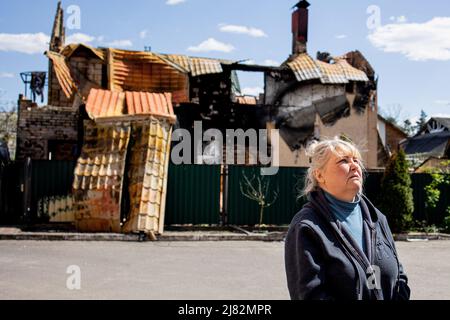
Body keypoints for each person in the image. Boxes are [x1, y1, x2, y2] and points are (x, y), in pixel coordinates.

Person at [285, 137, 410, 300]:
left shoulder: (377, 218)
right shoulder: (307, 226)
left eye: (356, 160)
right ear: (320, 175)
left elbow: (399, 278)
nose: (354, 166)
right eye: (344, 161)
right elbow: (310, 295)